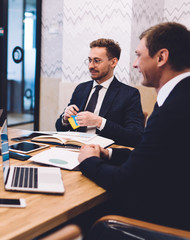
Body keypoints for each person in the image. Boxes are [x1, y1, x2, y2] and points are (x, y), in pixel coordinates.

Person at [78, 22, 190, 230]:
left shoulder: (173, 109)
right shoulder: (180, 97)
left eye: (139, 55)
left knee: (82, 219)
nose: (135, 64)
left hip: (165, 221)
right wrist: (108, 155)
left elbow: (125, 182)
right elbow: (152, 157)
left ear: (161, 57)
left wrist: (88, 161)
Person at [55, 38, 144, 147]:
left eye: (97, 61)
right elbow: (61, 128)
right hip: (74, 149)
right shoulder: (81, 89)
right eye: (90, 60)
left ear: (113, 62)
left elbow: (135, 137)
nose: (91, 66)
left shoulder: (129, 94)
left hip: (104, 155)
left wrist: (100, 122)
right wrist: (65, 119)